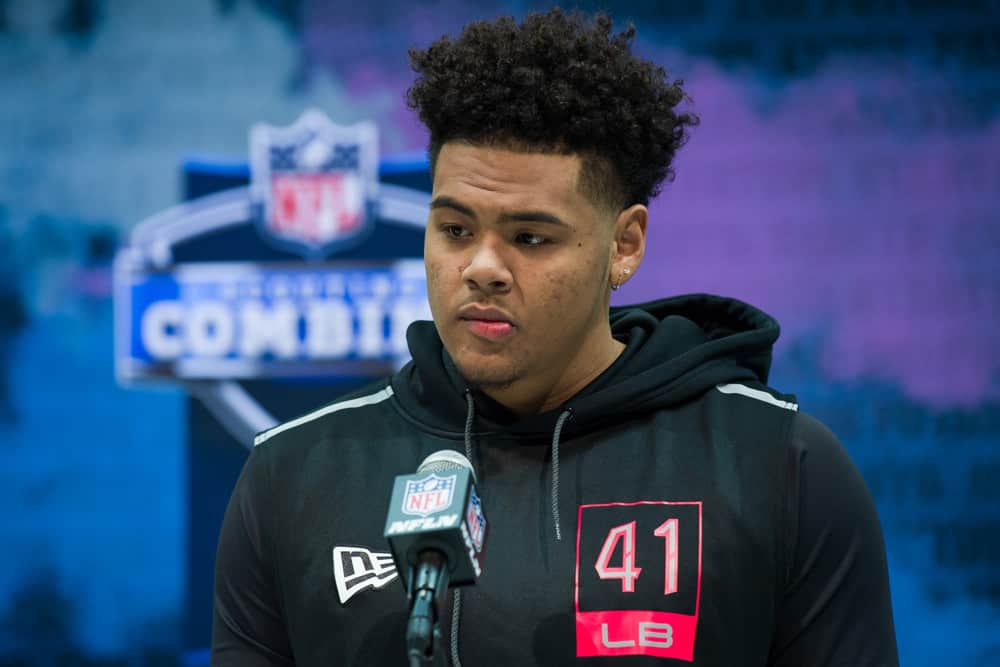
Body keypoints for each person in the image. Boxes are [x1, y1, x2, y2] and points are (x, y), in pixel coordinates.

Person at [211, 9, 898, 666]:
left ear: (624, 245)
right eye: (454, 230)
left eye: (529, 237)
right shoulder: (292, 475)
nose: (480, 268)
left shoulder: (782, 470)